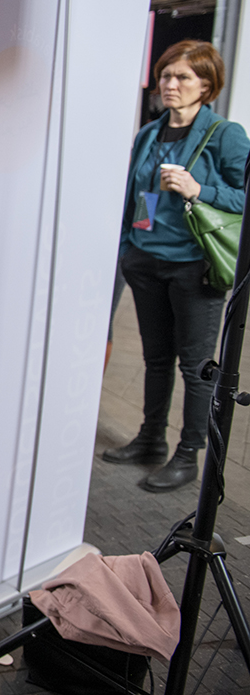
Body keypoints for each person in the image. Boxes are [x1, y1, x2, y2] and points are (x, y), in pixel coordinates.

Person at [103, 40, 250, 492]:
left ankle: (189, 453)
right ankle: (150, 439)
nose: (171, 84)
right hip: (145, 260)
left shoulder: (226, 134)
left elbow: (242, 199)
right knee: (156, 358)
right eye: (166, 75)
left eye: (183, 77)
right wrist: (129, 246)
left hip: (193, 266)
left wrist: (198, 188)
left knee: (195, 365)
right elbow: (133, 198)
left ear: (206, 85)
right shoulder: (149, 133)